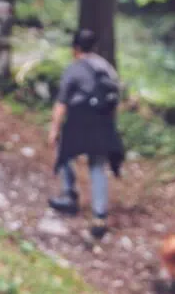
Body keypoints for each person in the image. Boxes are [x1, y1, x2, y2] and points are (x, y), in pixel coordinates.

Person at [47, 29, 125, 239]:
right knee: (97, 165)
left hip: (79, 120)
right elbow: (115, 98)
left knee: (64, 154)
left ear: (75, 48)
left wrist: (54, 129)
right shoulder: (107, 68)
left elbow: (61, 103)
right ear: (95, 47)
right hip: (103, 121)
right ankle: (99, 215)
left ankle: (69, 196)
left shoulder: (74, 69)